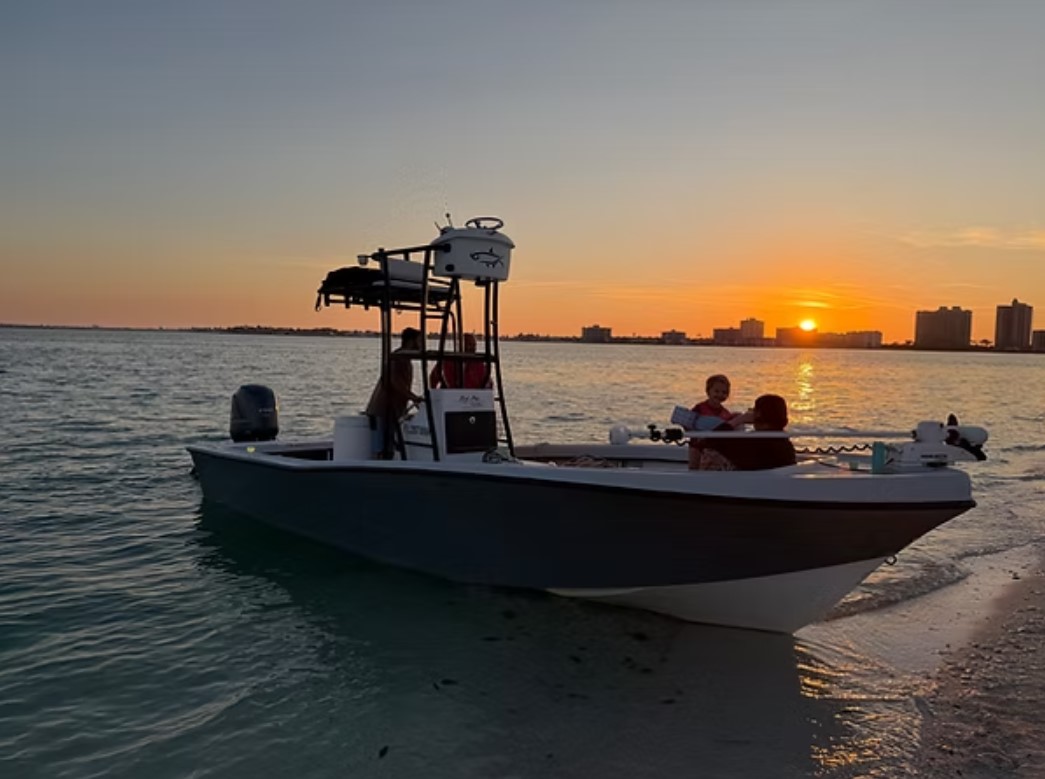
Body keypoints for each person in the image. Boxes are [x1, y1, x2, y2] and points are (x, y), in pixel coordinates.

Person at [692, 394, 798, 471]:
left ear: (758, 414)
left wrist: (738, 420)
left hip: (746, 485)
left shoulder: (753, 444)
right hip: (764, 480)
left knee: (710, 453)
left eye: (754, 409)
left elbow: (707, 442)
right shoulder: (785, 444)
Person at [366, 327, 423, 457]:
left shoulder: (404, 359)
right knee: (383, 449)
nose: (422, 345)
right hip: (383, 411)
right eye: (419, 341)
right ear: (410, 341)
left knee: (390, 445)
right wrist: (414, 397)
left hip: (393, 412)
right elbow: (395, 383)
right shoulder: (398, 358)